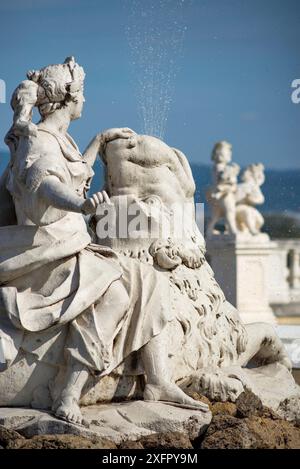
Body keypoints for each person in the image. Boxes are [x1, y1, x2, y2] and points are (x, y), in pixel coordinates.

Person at [0, 57, 208, 425]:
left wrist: (98, 141)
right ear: (68, 98)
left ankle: (157, 381)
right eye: (82, 93)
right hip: (47, 250)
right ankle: (67, 394)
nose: (85, 101)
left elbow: (74, 169)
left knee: (150, 278)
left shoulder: (57, 138)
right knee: (113, 292)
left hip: (69, 241)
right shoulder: (38, 142)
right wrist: (80, 203)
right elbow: (44, 185)